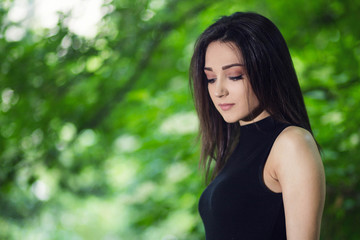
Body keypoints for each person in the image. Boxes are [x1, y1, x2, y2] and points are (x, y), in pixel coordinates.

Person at [189, 12, 326, 240]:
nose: (218, 90)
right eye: (211, 78)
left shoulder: (291, 143)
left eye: (234, 76)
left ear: (267, 70)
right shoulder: (234, 148)